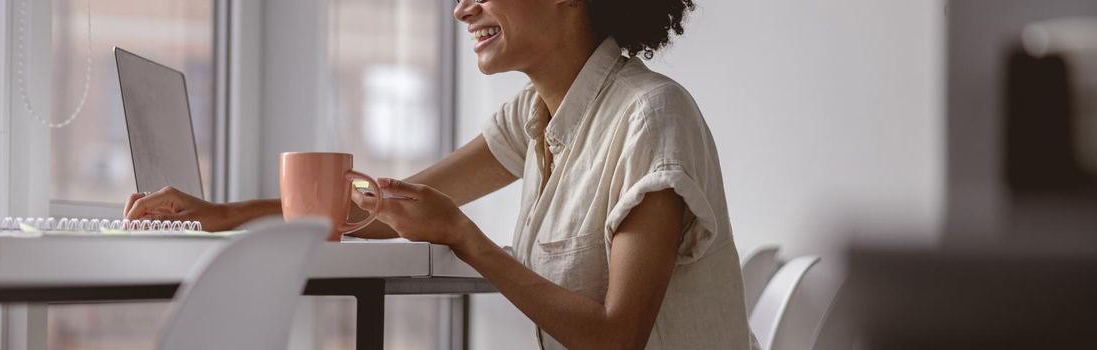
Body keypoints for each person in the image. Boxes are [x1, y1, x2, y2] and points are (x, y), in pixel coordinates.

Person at [125, 0, 756, 348]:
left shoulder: (651, 114)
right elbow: (383, 206)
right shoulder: (534, 117)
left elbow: (617, 341)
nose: (461, 8)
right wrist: (222, 214)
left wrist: (465, 238)